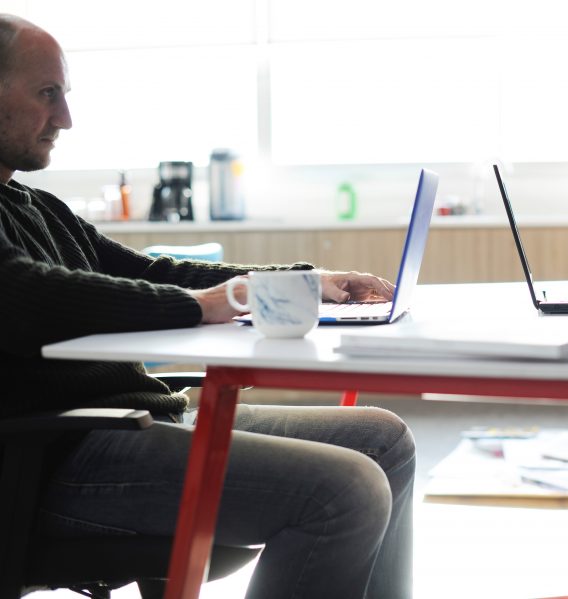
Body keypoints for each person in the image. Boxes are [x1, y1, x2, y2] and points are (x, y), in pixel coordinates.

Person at [0, 14, 415, 599]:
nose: (66, 118)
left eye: (64, 95)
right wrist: (203, 306)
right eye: (48, 94)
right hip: (55, 460)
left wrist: (302, 280)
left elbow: (151, 273)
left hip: (139, 426)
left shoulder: (36, 205)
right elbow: (28, 294)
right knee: (345, 489)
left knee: (384, 441)